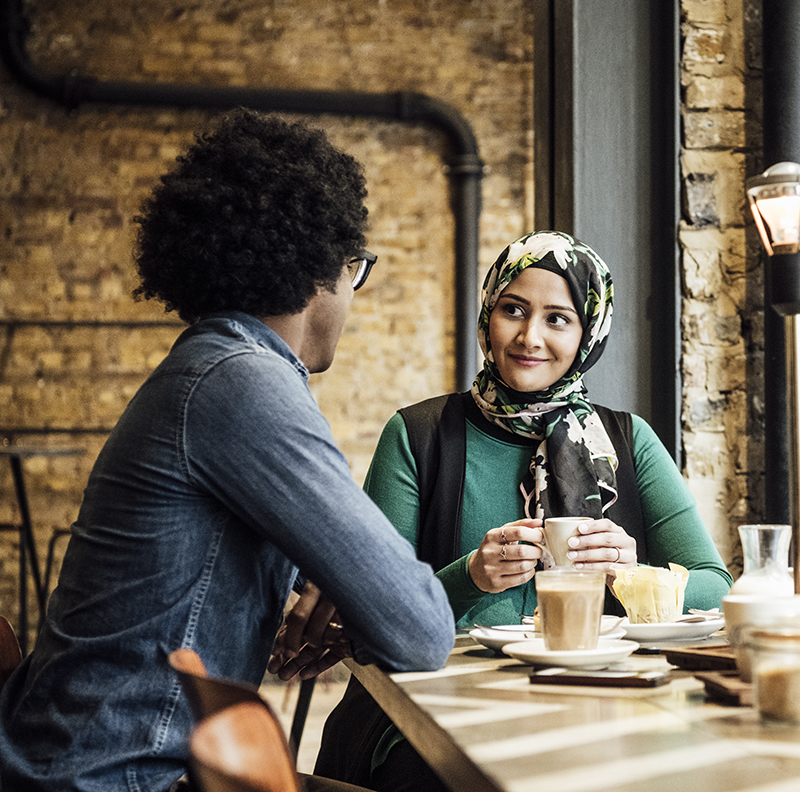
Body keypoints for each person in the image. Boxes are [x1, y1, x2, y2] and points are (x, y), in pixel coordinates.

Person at [0, 108, 455, 792]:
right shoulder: (244, 384)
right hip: (123, 777)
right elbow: (422, 629)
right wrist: (368, 599)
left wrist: (330, 589)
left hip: (97, 761)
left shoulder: (212, 367)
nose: (352, 298)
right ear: (317, 272)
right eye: (354, 271)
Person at [314, 230, 733, 792]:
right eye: (514, 309)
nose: (529, 337)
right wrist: (469, 577)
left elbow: (717, 587)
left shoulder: (628, 441)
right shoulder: (419, 436)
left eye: (558, 318)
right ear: (488, 315)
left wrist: (637, 579)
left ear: (588, 334)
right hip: (427, 721)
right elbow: (371, 614)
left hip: (597, 709)